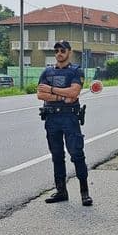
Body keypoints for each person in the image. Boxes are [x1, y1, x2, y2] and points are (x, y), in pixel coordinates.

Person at [36, 40, 92, 206]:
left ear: (69, 52)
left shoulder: (76, 71)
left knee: (77, 154)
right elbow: (40, 93)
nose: (59, 53)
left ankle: (84, 193)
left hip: (70, 118)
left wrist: (51, 90)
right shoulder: (47, 71)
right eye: (56, 50)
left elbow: (74, 92)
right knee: (57, 156)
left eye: (62, 50)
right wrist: (62, 97)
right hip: (52, 118)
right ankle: (61, 191)